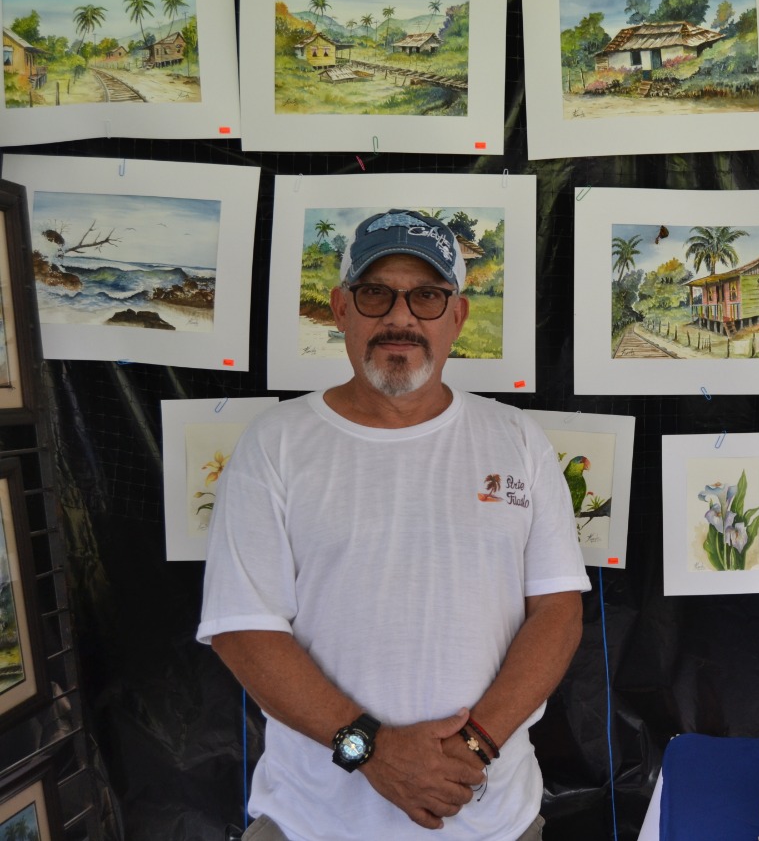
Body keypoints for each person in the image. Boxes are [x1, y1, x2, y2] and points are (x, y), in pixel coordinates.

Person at [197, 210, 590, 840]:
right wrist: (372, 751)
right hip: (313, 825)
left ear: (457, 317)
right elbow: (243, 631)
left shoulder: (517, 438)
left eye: (427, 296)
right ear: (340, 309)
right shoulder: (275, 445)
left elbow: (558, 612)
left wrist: (475, 746)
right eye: (376, 293)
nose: (400, 317)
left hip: (490, 821)